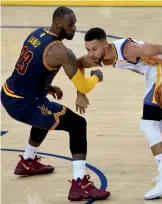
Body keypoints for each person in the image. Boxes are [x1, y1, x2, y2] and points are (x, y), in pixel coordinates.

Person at [76, 27, 162, 200]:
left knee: (147, 124)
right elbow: (78, 64)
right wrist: (80, 92)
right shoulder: (99, 58)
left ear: (105, 46)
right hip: (153, 73)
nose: (91, 54)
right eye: (88, 49)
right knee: (154, 125)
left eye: (94, 49)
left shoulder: (128, 50)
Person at [1, 8, 110, 201]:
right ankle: (79, 184)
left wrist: (47, 86)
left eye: (75, 24)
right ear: (58, 24)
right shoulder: (61, 51)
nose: (74, 29)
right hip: (24, 104)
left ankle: (27, 162)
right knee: (77, 124)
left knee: (48, 109)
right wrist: (96, 78)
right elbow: (83, 84)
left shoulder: (37, 34)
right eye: (70, 25)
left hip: (9, 92)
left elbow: (30, 67)